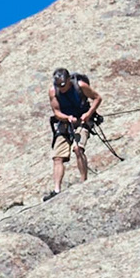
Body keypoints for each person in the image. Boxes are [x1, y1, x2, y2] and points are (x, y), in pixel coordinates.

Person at [45, 67, 102, 199]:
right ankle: (57, 190)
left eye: (64, 85)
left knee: (78, 149)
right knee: (58, 157)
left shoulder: (80, 86)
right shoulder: (53, 91)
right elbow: (56, 111)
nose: (62, 88)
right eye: (59, 85)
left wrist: (88, 114)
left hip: (82, 120)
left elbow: (97, 98)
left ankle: (83, 182)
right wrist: (67, 118)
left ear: (69, 80)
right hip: (65, 122)